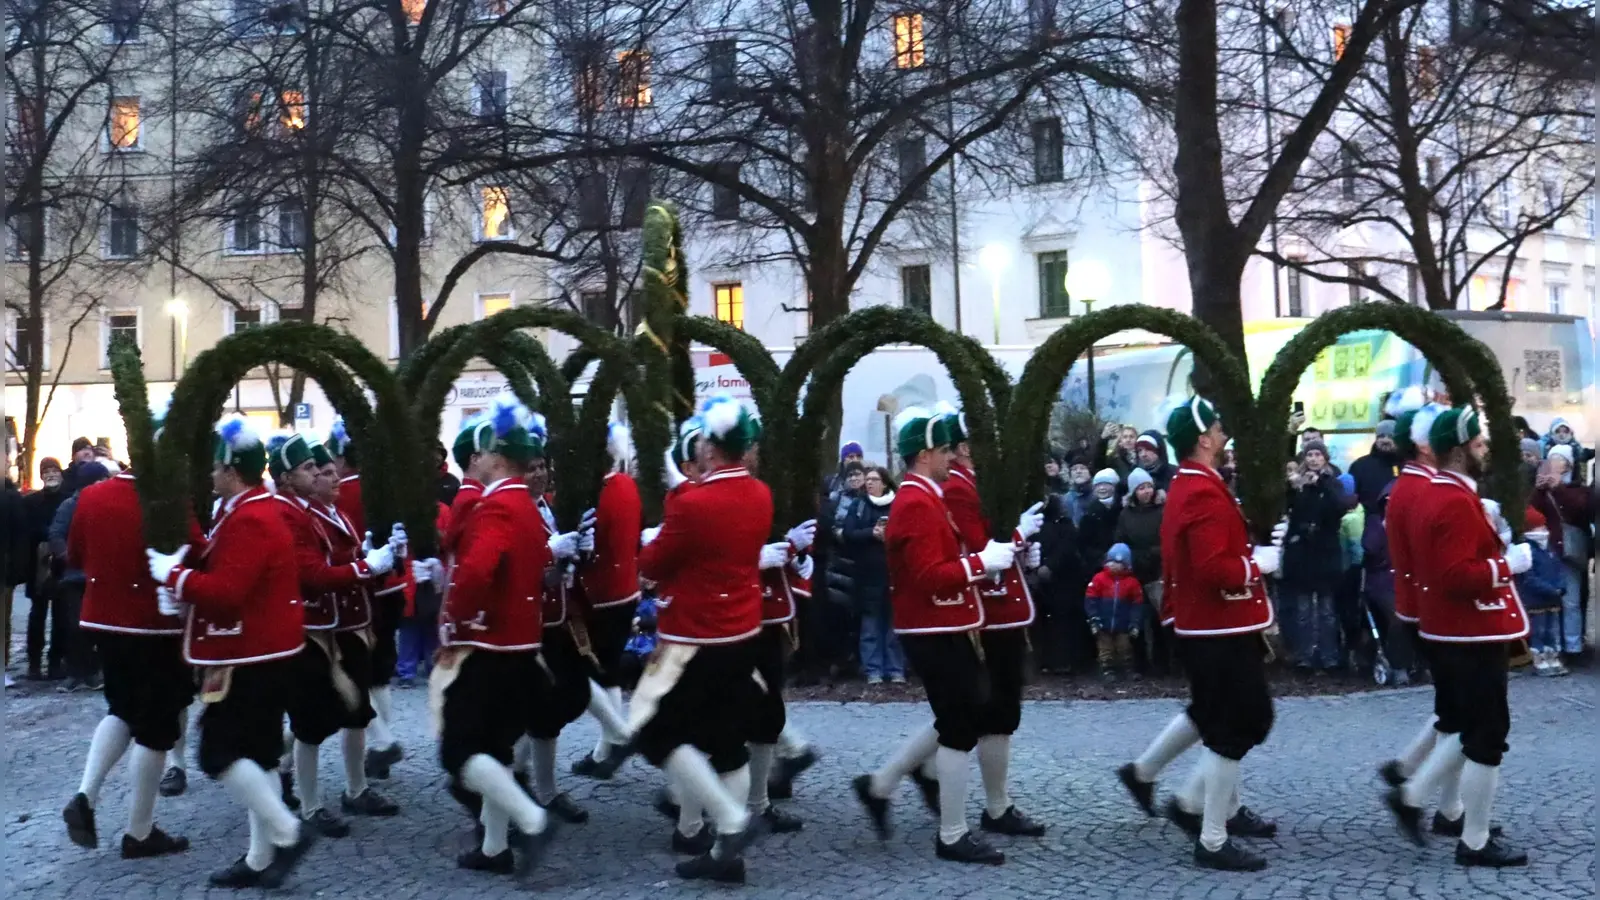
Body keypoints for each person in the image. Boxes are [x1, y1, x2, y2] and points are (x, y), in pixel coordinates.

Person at [145, 415, 317, 887]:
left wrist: (173, 577)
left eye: (216, 469)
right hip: (262, 650)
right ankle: (260, 859)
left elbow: (227, 590)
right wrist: (185, 554)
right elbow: (224, 560)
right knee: (260, 757)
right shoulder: (249, 510)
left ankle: (287, 831)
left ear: (231, 471)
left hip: (252, 655)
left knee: (218, 752)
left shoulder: (254, 516)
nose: (210, 476)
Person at [1117, 396, 1281, 872]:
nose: (1224, 432)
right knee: (1240, 722)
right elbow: (1214, 569)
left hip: (1213, 622)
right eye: (1217, 426)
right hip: (1216, 624)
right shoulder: (1201, 489)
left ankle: (1197, 802)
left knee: (1221, 716)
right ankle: (1206, 831)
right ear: (1203, 438)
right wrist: (1257, 564)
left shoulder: (1196, 483)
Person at [852, 406, 1019, 865]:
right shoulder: (917, 500)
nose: (951, 457)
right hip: (933, 627)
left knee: (962, 718)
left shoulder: (924, 495)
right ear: (925, 454)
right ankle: (951, 832)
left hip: (942, 624)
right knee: (958, 727)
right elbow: (929, 576)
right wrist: (983, 564)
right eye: (945, 450)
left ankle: (909, 789)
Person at [631, 393, 769, 883]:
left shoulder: (694, 502)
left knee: (658, 731)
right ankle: (725, 857)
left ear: (711, 448)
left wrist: (656, 534)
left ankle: (729, 823)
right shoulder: (759, 493)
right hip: (742, 632)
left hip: (694, 637)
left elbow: (652, 566)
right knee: (729, 744)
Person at [1386, 405, 1531, 868]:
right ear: (1458, 450)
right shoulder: (1448, 498)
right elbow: (1454, 575)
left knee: (1468, 726)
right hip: (1469, 632)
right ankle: (1474, 838)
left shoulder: (1444, 493)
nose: (1484, 450)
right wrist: (1508, 564)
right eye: (1479, 444)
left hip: (1457, 630)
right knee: (1486, 736)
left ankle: (1418, 796)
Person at [428, 400, 558, 876]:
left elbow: (477, 570)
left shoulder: (497, 506)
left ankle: (531, 820)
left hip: (489, 645)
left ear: (500, 459)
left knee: (461, 749)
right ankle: (495, 847)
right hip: (520, 642)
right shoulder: (523, 503)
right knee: (498, 749)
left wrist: (455, 623)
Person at [60, 403, 193, 860]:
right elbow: (199, 554)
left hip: (103, 621)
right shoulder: (169, 504)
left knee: (121, 708)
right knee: (156, 728)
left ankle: (85, 794)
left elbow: (74, 555)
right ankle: (140, 831)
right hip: (154, 627)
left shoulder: (93, 496)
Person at [270, 432, 404, 836]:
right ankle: (309, 805)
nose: (324, 477)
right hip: (315, 629)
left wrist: (374, 556)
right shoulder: (292, 512)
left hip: (345, 625)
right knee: (311, 720)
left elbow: (338, 557)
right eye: (311, 468)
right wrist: (367, 567)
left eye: (323, 469)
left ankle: (355, 788)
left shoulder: (327, 510)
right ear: (286, 476)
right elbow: (311, 573)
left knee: (355, 711)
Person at [325, 420, 405, 782]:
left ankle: (378, 744)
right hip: (390, 587)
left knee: (351, 673)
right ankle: (379, 747)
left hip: (359, 591)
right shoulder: (386, 486)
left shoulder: (341, 494)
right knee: (379, 674)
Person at [571, 422, 646, 776]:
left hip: (600, 594)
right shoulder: (627, 485)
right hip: (625, 589)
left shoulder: (596, 493)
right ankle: (605, 752)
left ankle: (617, 738)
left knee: (583, 671)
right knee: (609, 672)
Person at [1279, 440, 1356, 672]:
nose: (1313, 459)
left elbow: (1341, 506)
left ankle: (1330, 656)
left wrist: (1322, 483)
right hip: (1302, 551)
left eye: (1317, 455)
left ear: (1325, 458)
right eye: (1309, 455)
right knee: (1302, 609)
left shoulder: (1333, 483)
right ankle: (1304, 656)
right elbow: (1286, 507)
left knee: (1327, 609)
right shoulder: (1296, 484)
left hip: (1326, 551)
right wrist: (1294, 488)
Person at [48, 460, 112, 691]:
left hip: (101, 576)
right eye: (101, 480)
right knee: (76, 626)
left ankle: (95, 672)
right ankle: (76, 672)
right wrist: (69, 556)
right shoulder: (69, 506)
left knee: (99, 626)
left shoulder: (108, 504)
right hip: (75, 577)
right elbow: (56, 534)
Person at [841, 466, 902, 684]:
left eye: (874, 479)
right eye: (867, 479)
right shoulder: (858, 506)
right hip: (866, 575)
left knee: (894, 625)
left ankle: (896, 669)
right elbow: (848, 534)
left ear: (884, 483)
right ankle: (873, 670)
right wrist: (871, 533)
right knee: (870, 625)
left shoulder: (898, 504)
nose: (869, 483)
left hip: (894, 574)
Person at [1114, 468, 1168, 674]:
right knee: (1136, 619)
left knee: (1159, 619)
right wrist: (1132, 557)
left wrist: (1155, 553)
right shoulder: (1126, 515)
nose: (1146, 492)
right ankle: (1140, 664)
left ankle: (1163, 663)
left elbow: (1169, 539)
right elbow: (1120, 540)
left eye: (1149, 487)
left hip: (1159, 570)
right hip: (1135, 571)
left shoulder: (1162, 510)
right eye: (1141, 488)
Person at [1541, 445, 1590, 658]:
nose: (1553, 463)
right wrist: (1539, 488)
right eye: (1551, 459)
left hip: (1570, 550)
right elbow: (1532, 510)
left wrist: (1559, 487)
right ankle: (1553, 645)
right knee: (1551, 600)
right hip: (1549, 549)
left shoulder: (1578, 488)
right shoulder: (1544, 489)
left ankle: (1573, 646)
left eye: (1558, 459)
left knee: (1571, 600)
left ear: (1568, 464)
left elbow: (1581, 510)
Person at [1029, 493, 1086, 674]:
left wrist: (1050, 566)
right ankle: (1044, 660)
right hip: (1039, 578)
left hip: (1063, 579)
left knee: (1062, 621)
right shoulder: (1033, 523)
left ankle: (1064, 660)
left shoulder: (1065, 524)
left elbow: (1067, 548)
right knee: (1041, 622)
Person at [23, 456, 67, 680]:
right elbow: (27, 530)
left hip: (62, 564)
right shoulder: (30, 502)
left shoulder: (68, 500)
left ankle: (55, 662)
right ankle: (34, 662)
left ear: (60, 473)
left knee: (60, 616)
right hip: (37, 566)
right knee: (37, 615)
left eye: (54, 470)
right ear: (41, 476)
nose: (50, 474)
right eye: (46, 471)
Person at [1515, 509, 1567, 676]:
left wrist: (1561, 585)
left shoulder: (1549, 549)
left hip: (1552, 599)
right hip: (1536, 600)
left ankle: (1553, 657)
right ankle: (1539, 659)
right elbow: (1529, 579)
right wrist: (1551, 589)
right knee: (1539, 631)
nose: (1544, 530)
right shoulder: (1526, 550)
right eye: (1540, 527)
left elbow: (1559, 569)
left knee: (1552, 630)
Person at [1085, 543, 1143, 678]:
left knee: (1125, 647)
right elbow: (1090, 600)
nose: (1112, 565)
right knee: (1105, 648)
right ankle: (1107, 670)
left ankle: (1128, 669)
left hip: (1123, 624)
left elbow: (1137, 604)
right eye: (1110, 561)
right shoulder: (1099, 579)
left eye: (1117, 562)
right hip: (1103, 623)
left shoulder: (1132, 583)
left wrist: (1134, 623)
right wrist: (1094, 618)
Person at [1348, 421, 1402, 515]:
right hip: (1369, 522)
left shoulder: (1405, 466)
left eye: (1390, 436)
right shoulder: (1360, 466)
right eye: (1381, 436)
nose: (1385, 440)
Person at [1077, 469, 1122, 565]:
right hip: (1099, 564)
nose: (1101, 488)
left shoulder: (1122, 509)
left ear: (1115, 486)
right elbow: (1084, 545)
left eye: (1106, 484)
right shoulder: (1089, 514)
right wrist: (1102, 557)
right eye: (1098, 485)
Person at [1062, 460, 1096, 526]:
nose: (1078, 471)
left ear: (1090, 473)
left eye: (1082, 468)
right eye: (1074, 469)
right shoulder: (1064, 499)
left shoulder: (1098, 495)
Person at [435, 442, 461, 507]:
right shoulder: (419, 479)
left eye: (439, 454)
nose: (435, 457)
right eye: (432, 453)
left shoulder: (453, 482)